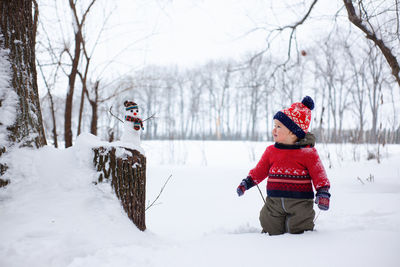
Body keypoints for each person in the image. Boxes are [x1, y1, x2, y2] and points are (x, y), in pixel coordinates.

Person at [236, 96, 330, 235]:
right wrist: (247, 183)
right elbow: (259, 171)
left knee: (299, 227)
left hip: (300, 203)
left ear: (293, 132)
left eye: (278, 126)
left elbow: (319, 175)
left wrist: (323, 193)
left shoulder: (308, 153)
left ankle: (298, 245)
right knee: (268, 222)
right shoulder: (271, 151)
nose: (274, 130)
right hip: (274, 203)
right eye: (274, 126)